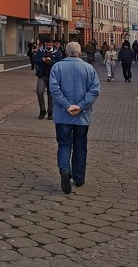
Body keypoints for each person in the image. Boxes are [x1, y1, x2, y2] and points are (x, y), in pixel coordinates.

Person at [48, 41, 100, 194]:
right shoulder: (88, 68)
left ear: (66, 51)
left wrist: (66, 105)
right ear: (80, 52)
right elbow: (94, 90)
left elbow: (54, 89)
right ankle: (78, 177)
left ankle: (64, 169)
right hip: (82, 116)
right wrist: (81, 106)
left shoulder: (57, 67)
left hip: (63, 116)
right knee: (80, 146)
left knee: (64, 144)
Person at [34, 40, 62, 119]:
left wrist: (51, 61)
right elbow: (35, 61)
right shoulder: (41, 51)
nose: (48, 46)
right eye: (47, 45)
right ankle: (42, 110)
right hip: (42, 76)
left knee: (50, 95)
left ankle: (50, 111)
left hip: (52, 77)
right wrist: (42, 60)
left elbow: (59, 63)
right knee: (39, 92)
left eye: (50, 45)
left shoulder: (57, 52)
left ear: (52, 44)